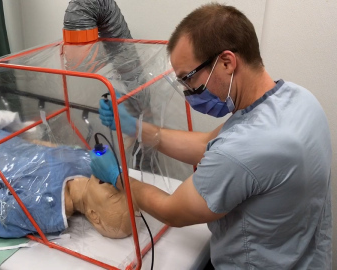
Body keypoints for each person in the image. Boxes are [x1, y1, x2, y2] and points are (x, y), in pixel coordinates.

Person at [90, 3, 332, 269]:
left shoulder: (246, 148)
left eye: (189, 79)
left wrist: (118, 177)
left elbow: (172, 210)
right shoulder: (298, 98)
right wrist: (135, 127)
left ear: (227, 62)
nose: (187, 91)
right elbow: (208, 144)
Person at [0, 129, 133, 240]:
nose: (115, 183)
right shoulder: (88, 164)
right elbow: (40, 146)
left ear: (94, 216)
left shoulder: (44, 208)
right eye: (121, 186)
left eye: (114, 195)